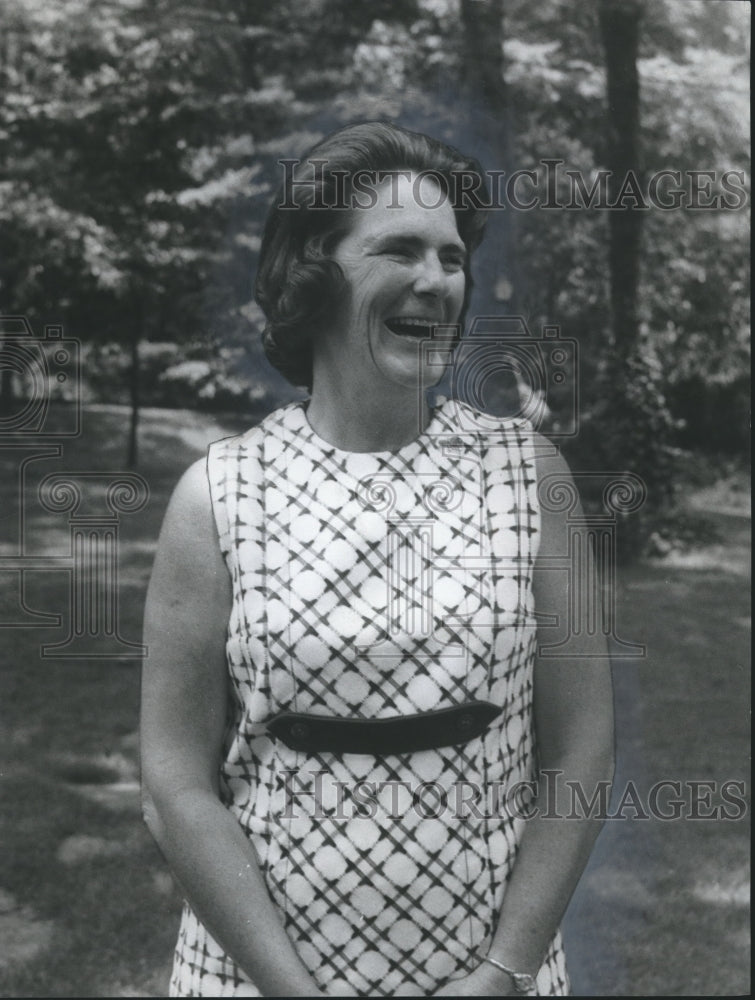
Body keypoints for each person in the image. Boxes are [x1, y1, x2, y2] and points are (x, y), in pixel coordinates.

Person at [140, 121, 615, 997]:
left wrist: (505, 971)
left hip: (485, 974)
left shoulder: (526, 473)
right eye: (398, 249)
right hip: (260, 974)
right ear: (314, 274)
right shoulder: (218, 495)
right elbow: (173, 782)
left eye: (450, 257)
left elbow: (580, 748)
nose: (435, 281)